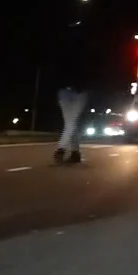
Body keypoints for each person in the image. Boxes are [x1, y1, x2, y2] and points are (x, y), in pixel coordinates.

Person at [52, 17, 91, 165]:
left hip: (77, 91)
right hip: (67, 91)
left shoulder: (86, 51)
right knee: (71, 122)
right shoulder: (62, 51)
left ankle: (61, 149)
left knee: (70, 122)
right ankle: (75, 153)